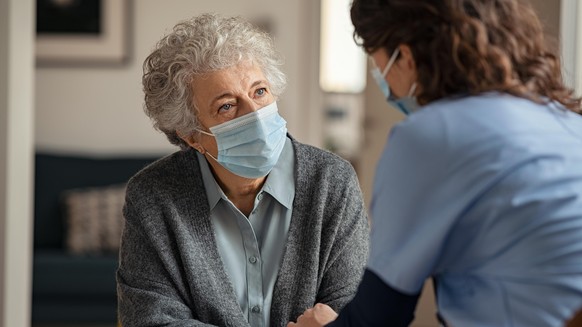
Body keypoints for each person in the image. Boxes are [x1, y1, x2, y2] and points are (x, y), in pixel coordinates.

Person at [289, 0, 582, 326]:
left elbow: (379, 317)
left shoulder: (431, 135)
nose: (382, 81)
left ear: (406, 58)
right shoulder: (565, 119)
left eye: (377, 62)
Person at [116, 13, 370, 327]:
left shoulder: (332, 182)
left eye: (259, 91)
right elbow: (151, 321)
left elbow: (353, 313)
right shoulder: (153, 197)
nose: (255, 114)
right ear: (193, 136)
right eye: (227, 106)